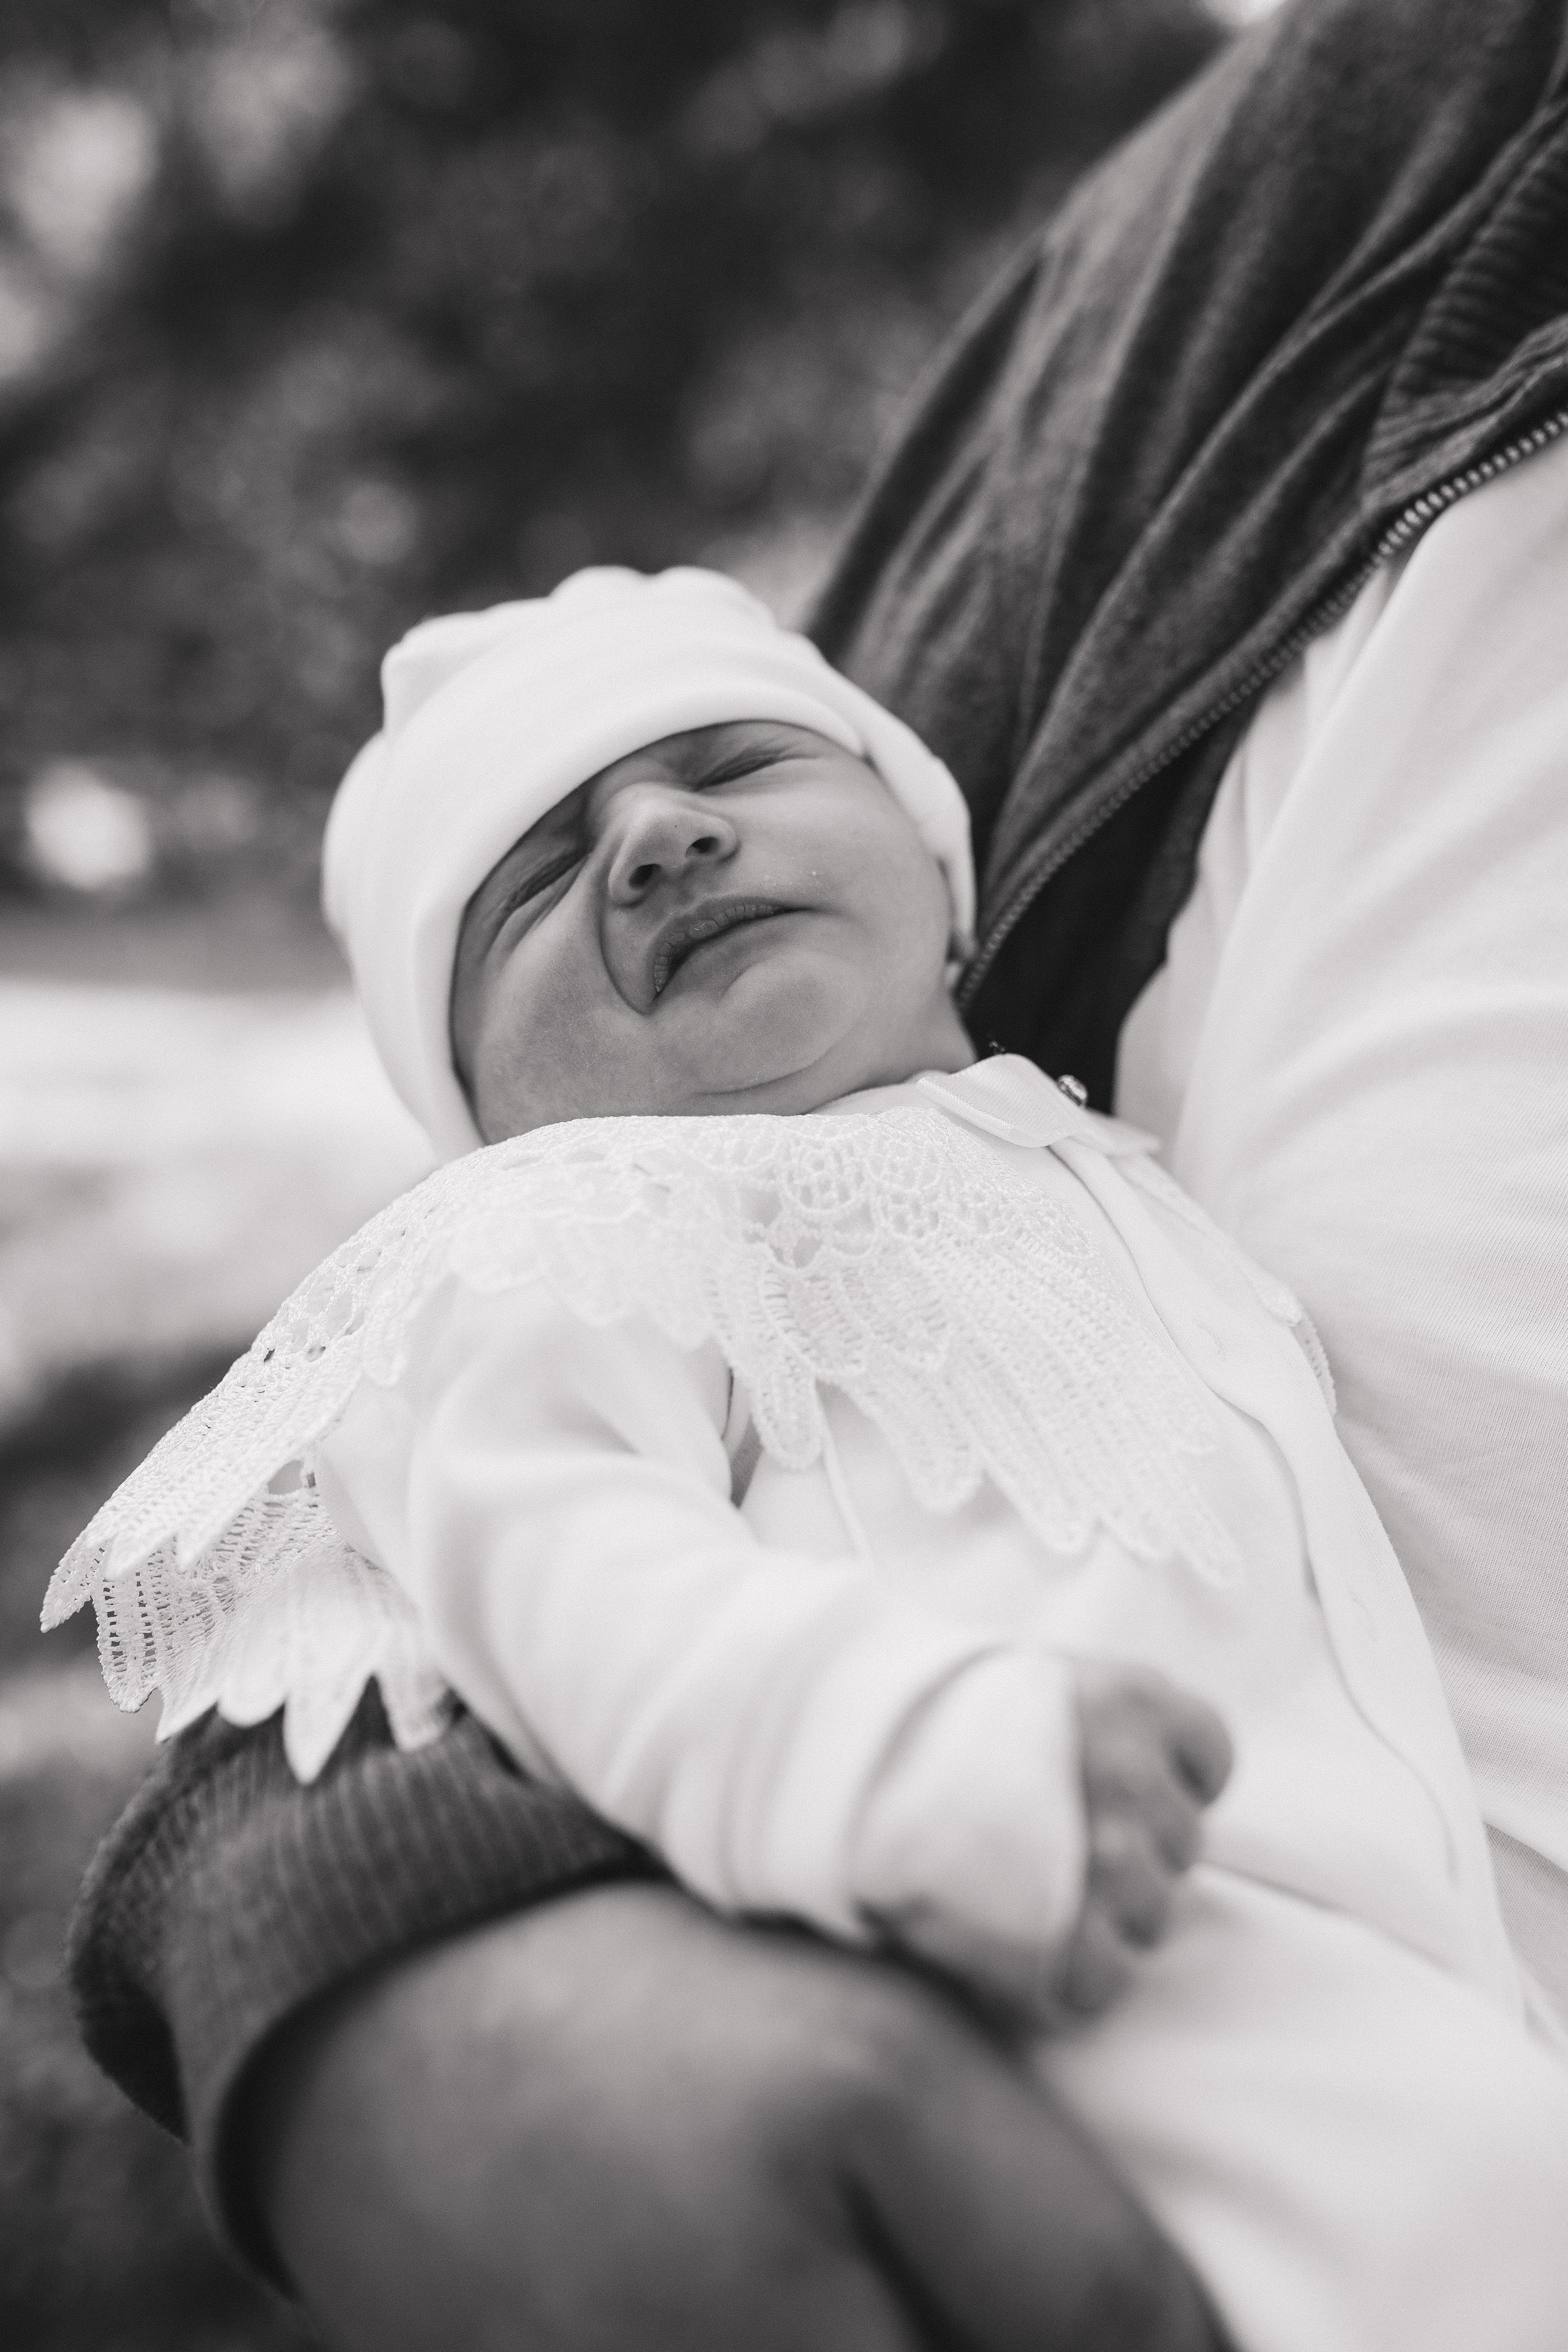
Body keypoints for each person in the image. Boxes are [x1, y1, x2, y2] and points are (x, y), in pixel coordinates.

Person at [57, 0, 1568, 2344]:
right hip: (1037, 1965)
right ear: (482, 1118)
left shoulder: (1066, 1150)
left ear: (943, 880)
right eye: (533, 882)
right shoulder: (583, 1233)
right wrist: (868, 1761)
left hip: (1408, 2048)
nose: (659, 838)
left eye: (736, 770)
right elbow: (524, 1559)